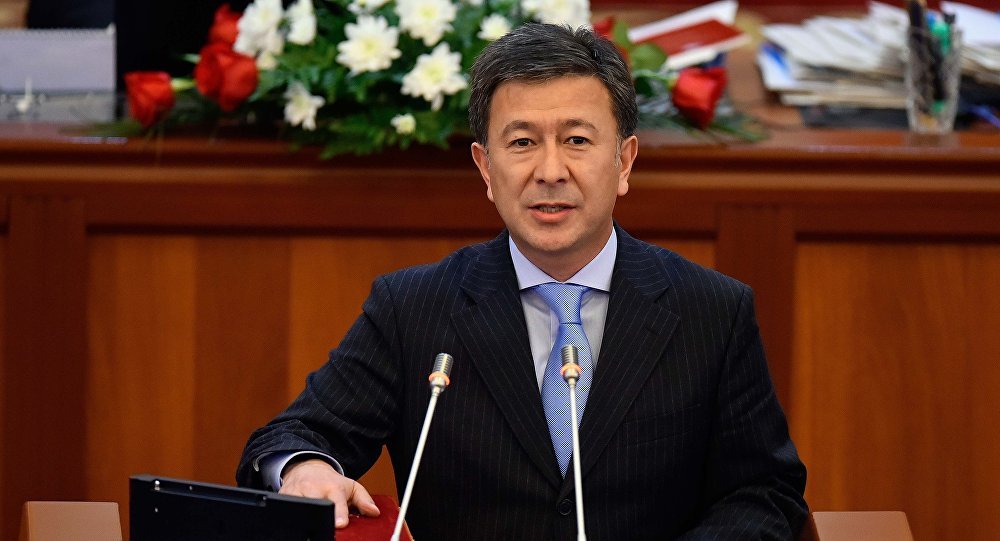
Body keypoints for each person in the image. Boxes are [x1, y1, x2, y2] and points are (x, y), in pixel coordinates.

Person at [237, 23, 808, 540]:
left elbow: (763, 492)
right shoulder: (412, 308)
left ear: (625, 161)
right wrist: (305, 468)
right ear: (486, 168)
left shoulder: (711, 311)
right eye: (522, 142)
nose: (550, 171)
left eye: (577, 140)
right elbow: (292, 438)